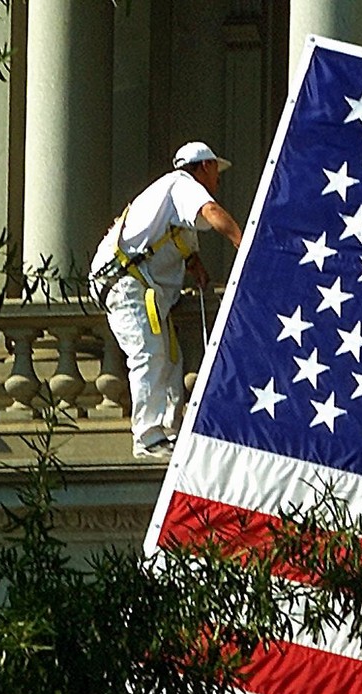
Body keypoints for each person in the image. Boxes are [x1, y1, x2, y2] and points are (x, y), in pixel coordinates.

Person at [92, 141, 243, 460]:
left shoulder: (171, 197)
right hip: (126, 286)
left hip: (140, 288)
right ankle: (147, 436)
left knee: (169, 360)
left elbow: (178, 243)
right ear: (204, 166)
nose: (218, 180)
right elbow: (213, 214)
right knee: (148, 355)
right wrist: (246, 246)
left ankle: (167, 433)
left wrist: (197, 268)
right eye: (216, 171)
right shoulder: (182, 184)